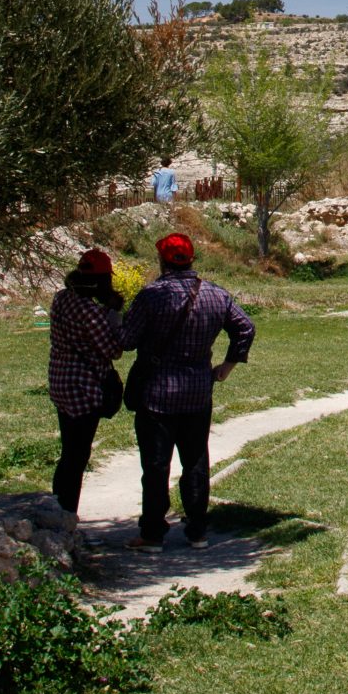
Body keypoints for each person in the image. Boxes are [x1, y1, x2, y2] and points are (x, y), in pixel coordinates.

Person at [120, 231, 254, 548]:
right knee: (195, 462)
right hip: (198, 391)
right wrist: (226, 367)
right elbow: (245, 327)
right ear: (192, 259)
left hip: (157, 393)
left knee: (155, 466)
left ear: (162, 260)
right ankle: (197, 531)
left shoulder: (151, 295)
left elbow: (126, 341)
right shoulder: (215, 294)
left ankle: (152, 532)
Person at [46, 248, 125, 516]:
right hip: (84, 387)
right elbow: (112, 350)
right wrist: (113, 315)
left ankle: (56, 509)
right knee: (78, 456)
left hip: (60, 380)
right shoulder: (90, 312)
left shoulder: (61, 299)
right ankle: (66, 515)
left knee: (68, 453)